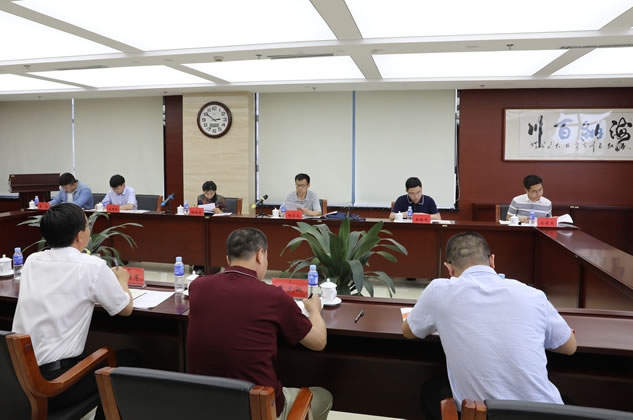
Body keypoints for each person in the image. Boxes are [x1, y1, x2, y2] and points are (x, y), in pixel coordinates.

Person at [403, 232, 576, 417]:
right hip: (544, 414)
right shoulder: (533, 295)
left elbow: (409, 331)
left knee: (432, 391)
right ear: (492, 261)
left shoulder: (438, 291)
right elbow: (569, 347)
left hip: (482, 415)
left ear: (449, 269)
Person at [187, 227, 332, 420]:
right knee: (324, 396)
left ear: (228, 259)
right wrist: (314, 310)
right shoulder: (273, 297)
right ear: (260, 255)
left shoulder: (197, 287)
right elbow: (318, 341)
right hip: (259, 411)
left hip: (207, 407)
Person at [12, 203, 134, 419]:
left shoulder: (32, 261)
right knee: (129, 362)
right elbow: (125, 309)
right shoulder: (91, 266)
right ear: (79, 236)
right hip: (53, 386)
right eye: (88, 226)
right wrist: (122, 280)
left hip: (18, 382)